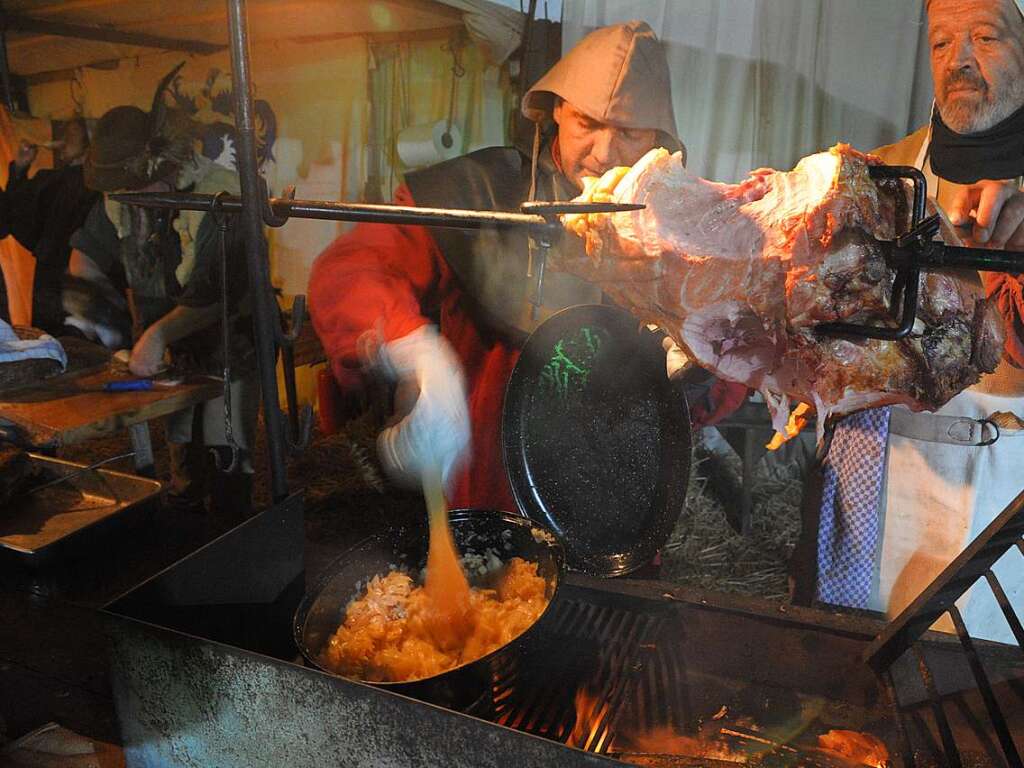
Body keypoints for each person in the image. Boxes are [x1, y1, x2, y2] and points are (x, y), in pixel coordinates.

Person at [310, 21, 732, 510]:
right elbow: (354, 267)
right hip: (490, 484)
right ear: (556, 109)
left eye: (630, 132)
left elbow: (722, 377)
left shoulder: (681, 225)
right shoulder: (481, 192)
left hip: (616, 492)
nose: (603, 153)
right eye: (587, 124)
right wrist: (413, 351)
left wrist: (699, 367)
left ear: (659, 137)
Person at [796, 0, 1024, 643]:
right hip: (881, 489)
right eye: (942, 42)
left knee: (978, 702)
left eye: (986, 35)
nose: (962, 60)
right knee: (856, 692)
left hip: (1002, 505)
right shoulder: (879, 173)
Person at [72, 68, 258, 521]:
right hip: (169, 350)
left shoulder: (222, 195)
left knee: (224, 447)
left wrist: (156, 334)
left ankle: (233, 532)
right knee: (183, 451)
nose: (128, 200)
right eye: (122, 192)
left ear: (164, 165)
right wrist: (86, 312)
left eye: (137, 189)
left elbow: (220, 292)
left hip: (229, 341)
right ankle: (186, 516)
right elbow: (87, 256)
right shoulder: (122, 194)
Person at [0, 117, 99, 334]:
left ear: (89, 144)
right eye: (63, 134)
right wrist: (19, 168)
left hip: (85, 279)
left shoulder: (95, 186)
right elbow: (9, 217)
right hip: (49, 279)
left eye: (71, 136)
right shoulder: (50, 179)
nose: (63, 141)